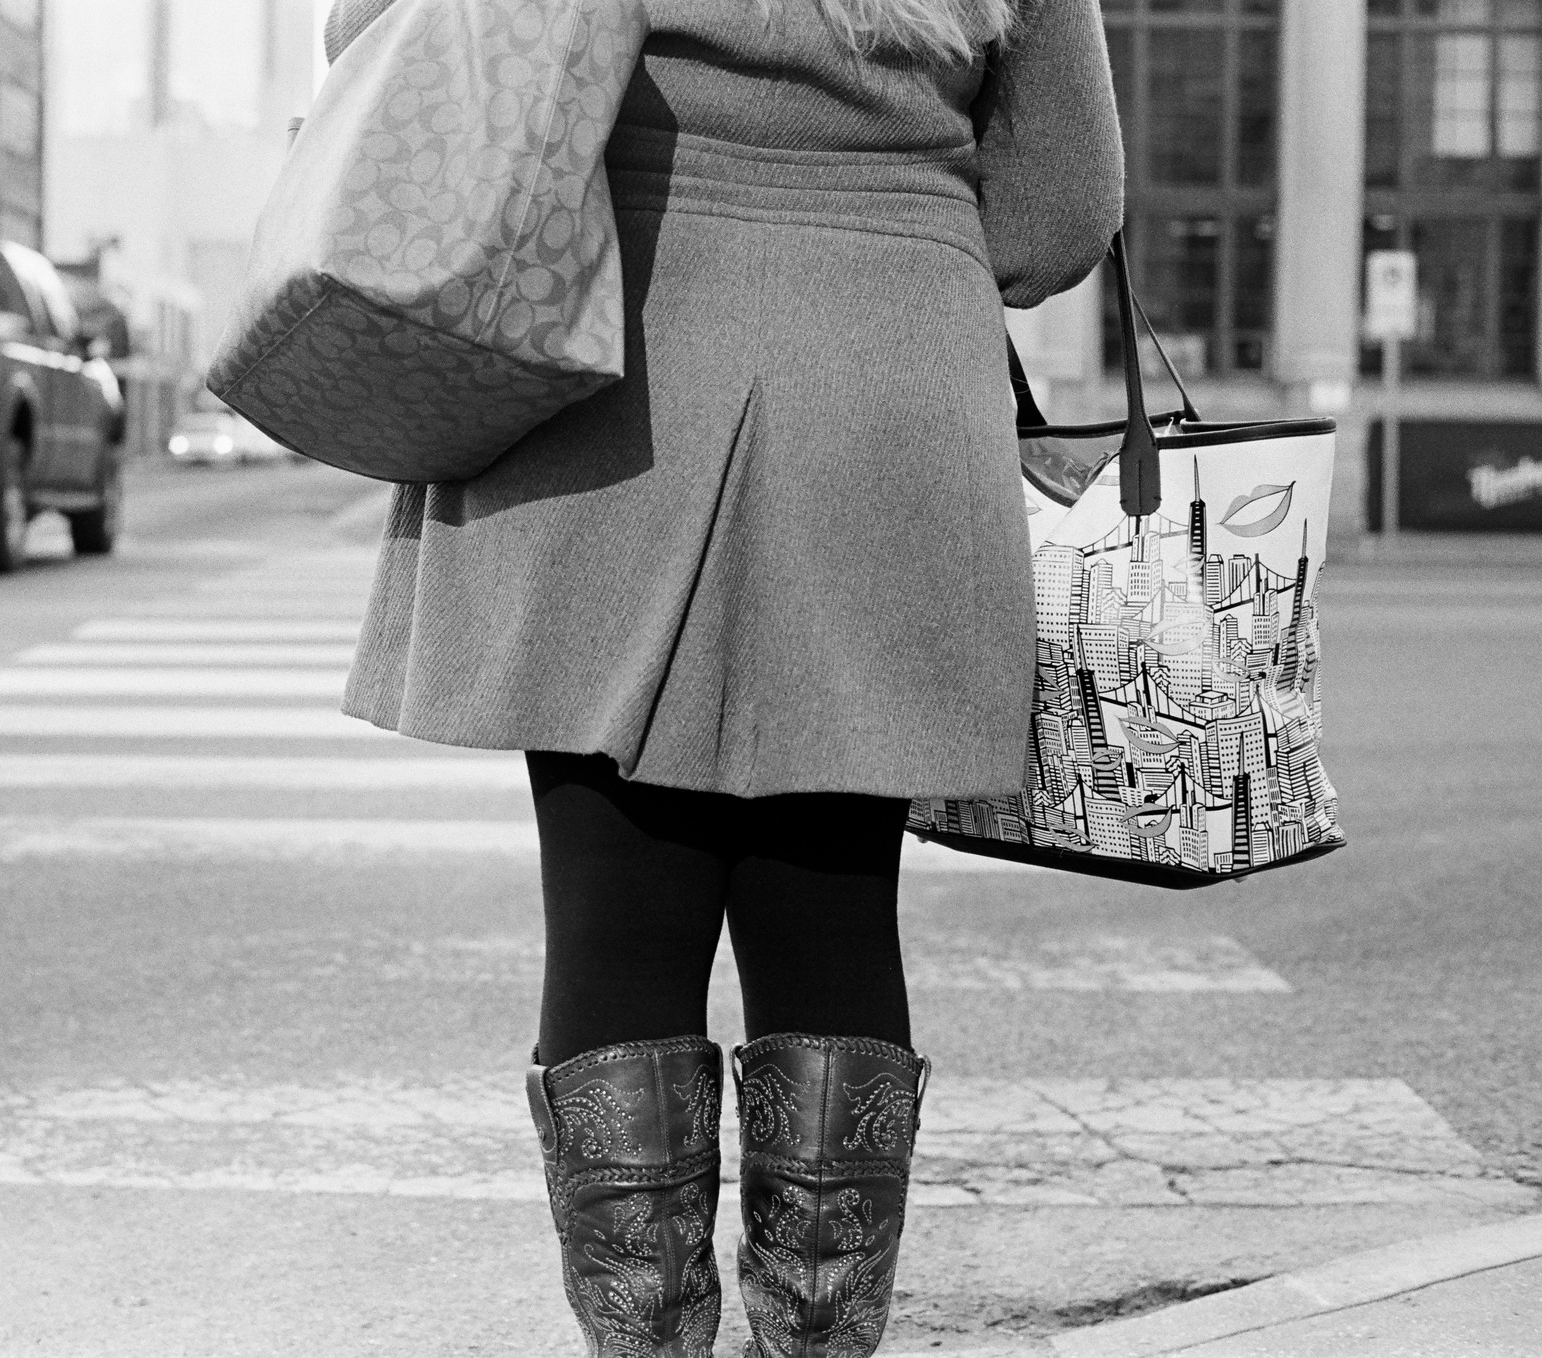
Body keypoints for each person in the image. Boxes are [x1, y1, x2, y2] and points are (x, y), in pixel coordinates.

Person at [325, 0, 1123, 1351]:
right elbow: (1059, 210)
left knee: (614, 917)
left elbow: (378, 48)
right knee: (835, 911)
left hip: (611, 353)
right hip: (885, 376)